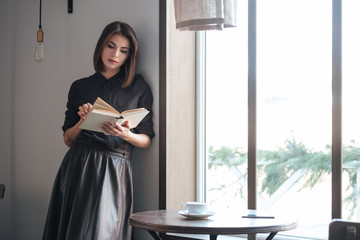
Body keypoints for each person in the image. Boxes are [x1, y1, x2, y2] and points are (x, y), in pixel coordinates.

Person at [42, 21, 155, 240]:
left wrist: (126, 135)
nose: (115, 55)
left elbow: (146, 139)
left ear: (130, 56)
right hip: (78, 164)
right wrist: (83, 121)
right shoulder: (80, 86)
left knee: (103, 232)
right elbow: (68, 139)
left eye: (124, 51)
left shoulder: (139, 87)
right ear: (101, 46)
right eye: (110, 46)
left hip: (115, 168)